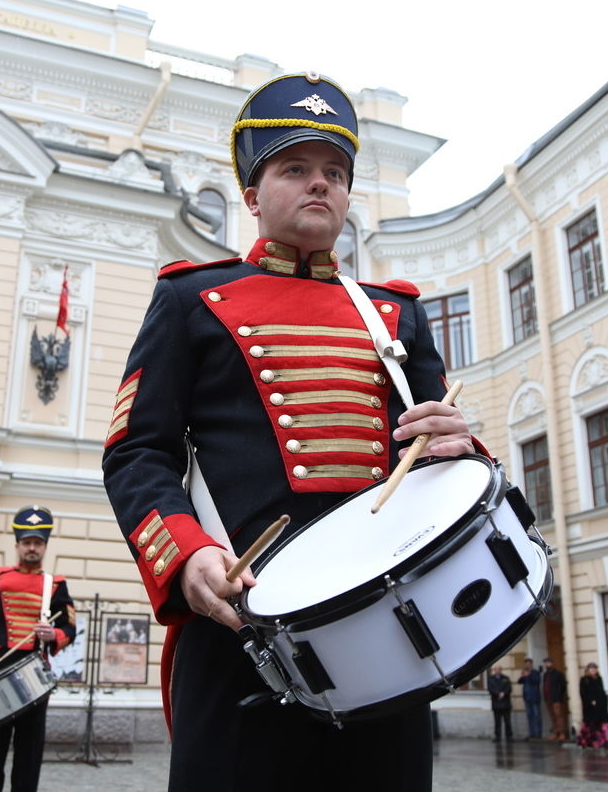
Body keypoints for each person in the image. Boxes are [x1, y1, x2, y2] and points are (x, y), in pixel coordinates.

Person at [102, 73, 480, 792]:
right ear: (252, 193)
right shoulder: (191, 300)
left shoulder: (396, 316)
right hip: (241, 630)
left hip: (385, 642)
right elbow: (136, 453)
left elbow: (442, 461)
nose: (320, 185)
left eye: (335, 172)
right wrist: (186, 556)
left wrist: (462, 447)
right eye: (296, 168)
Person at [0, 506, 77, 792]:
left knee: (29, 758)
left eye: (37, 543)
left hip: (35, 678)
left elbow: (70, 630)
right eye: (27, 542)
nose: (32, 548)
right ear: (17, 545)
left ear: (45, 546)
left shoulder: (55, 586)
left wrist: (52, 633)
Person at [577, 662, 608, 749]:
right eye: (591, 669)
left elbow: (601, 691)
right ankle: (587, 742)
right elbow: (583, 693)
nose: (593, 671)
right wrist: (590, 701)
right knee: (590, 725)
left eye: (595, 669)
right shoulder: (584, 679)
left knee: (603, 723)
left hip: (601, 705)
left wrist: (603, 700)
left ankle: (606, 741)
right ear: (588, 670)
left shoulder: (599, 678)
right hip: (590, 707)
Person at [541, 656, 568, 742]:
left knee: (559, 716)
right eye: (545, 663)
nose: (547, 664)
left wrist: (560, 695)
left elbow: (563, 686)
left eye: (548, 662)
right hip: (548, 698)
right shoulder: (545, 675)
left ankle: (562, 733)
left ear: (552, 663)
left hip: (556, 698)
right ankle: (555, 733)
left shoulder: (558, 674)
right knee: (552, 717)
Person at [518, 658, 543, 739]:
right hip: (527, 698)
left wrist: (529, 675)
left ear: (531, 664)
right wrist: (522, 676)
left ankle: (538, 733)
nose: (527, 666)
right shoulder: (524, 673)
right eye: (526, 664)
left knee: (537, 715)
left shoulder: (535, 672)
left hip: (535, 697)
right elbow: (519, 681)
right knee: (529, 716)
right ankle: (532, 733)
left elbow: (537, 681)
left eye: (528, 664)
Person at [488, 665, 513, 742]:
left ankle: (509, 737)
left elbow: (509, 688)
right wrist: (498, 693)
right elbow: (490, 689)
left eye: (499, 669)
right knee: (497, 722)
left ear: (501, 670)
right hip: (496, 703)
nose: (497, 670)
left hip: (505, 703)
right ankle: (497, 736)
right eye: (496, 669)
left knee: (507, 721)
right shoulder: (491, 679)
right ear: (494, 670)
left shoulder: (505, 678)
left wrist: (504, 693)